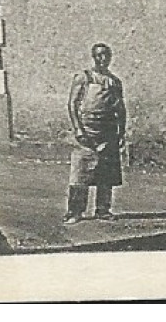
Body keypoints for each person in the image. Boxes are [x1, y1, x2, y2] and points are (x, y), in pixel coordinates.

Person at [65, 43, 126, 224]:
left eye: (106, 55)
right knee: (80, 173)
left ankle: (103, 209)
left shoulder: (115, 81)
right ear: (93, 57)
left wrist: (121, 132)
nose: (103, 59)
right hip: (87, 129)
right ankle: (75, 212)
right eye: (99, 55)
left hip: (107, 130)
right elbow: (72, 104)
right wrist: (78, 129)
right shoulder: (84, 77)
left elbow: (120, 108)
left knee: (106, 172)